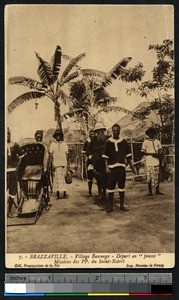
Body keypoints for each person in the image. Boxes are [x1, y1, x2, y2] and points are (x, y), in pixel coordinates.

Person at [102, 123, 136, 213]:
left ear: (119, 131)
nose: (116, 132)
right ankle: (110, 207)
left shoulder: (124, 142)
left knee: (122, 187)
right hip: (111, 168)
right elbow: (105, 157)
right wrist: (107, 168)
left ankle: (122, 206)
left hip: (121, 168)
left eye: (117, 130)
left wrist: (132, 168)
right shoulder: (108, 142)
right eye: (114, 130)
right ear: (112, 131)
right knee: (110, 188)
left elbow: (128, 157)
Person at [86, 123, 107, 203]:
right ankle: (100, 192)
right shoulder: (93, 140)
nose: (100, 133)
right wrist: (90, 155)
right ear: (96, 132)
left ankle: (104, 192)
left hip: (105, 161)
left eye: (101, 131)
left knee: (105, 177)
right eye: (98, 132)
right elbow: (88, 150)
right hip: (97, 162)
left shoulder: (106, 139)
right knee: (98, 178)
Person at [6, 127, 25, 217]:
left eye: (8, 134)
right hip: (4, 172)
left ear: (10, 134)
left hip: (13, 171)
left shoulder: (15, 145)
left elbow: (21, 155)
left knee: (12, 191)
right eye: (5, 133)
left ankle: (9, 211)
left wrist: (18, 166)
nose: (7, 135)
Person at [141, 127, 163, 196]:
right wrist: (150, 154)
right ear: (148, 134)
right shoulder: (145, 142)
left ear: (154, 134)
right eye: (150, 133)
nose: (151, 134)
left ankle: (157, 190)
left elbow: (160, 151)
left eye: (153, 133)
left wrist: (157, 154)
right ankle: (150, 192)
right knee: (149, 177)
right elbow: (142, 152)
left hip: (156, 161)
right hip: (149, 161)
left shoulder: (157, 142)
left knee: (156, 176)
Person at [49, 129, 68, 199]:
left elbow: (66, 154)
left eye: (59, 136)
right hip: (56, 164)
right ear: (55, 137)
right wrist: (51, 164)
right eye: (57, 136)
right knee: (57, 179)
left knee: (63, 178)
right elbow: (51, 155)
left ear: (61, 136)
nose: (58, 137)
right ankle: (58, 194)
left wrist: (67, 164)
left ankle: (64, 193)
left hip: (63, 163)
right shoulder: (52, 144)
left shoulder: (64, 144)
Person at [82, 129, 95, 196]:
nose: (92, 135)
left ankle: (100, 191)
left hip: (96, 161)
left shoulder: (97, 141)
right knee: (90, 176)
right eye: (91, 134)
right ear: (89, 135)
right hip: (90, 161)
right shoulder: (87, 142)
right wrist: (86, 158)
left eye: (93, 134)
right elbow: (84, 151)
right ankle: (90, 191)